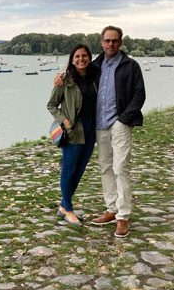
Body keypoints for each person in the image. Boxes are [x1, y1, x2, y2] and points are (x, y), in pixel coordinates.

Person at [54, 25, 146, 237]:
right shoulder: (96, 65)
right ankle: (111, 209)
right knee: (105, 166)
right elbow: (77, 73)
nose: (110, 44)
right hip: (99, 124)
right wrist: (60, 78)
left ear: (120, 42)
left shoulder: (130, 66)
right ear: (102, 42)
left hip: (120, 123)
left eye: (114, 41)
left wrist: (124, 119)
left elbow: (139, 94)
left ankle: (123, 216)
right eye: (107, 40)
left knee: (120, 167)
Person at [47, 44, 98, 225]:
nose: (81, 59)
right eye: (77, 56)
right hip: (73, 131)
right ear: (72, 59)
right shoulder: (65, 80)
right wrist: (65, 121)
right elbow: (51, 104)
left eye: (84, 56)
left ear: (89, 58)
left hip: (91, 129)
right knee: (69, 169)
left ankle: (63, 205)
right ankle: (68, 209)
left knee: (80, 169)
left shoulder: (95, 77)